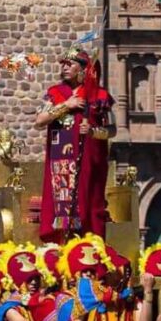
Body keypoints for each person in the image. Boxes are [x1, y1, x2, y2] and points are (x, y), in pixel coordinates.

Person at [35, 47, 115, 243]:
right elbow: (39, 120)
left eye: (69, 64)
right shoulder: (55, 93)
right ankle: (60, 243)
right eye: (62, 64)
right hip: (61, 161)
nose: (64, 68)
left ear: (83, 69)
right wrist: (66, 106)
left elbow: (112, 130)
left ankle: (88, 243)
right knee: (60, 203)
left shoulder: (100, 96)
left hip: (90, 160)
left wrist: (94, 132)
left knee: (89, 202)